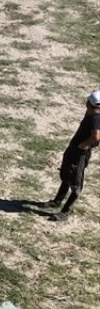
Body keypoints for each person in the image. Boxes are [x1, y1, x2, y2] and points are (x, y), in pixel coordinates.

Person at [46, 90, 100, 222]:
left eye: (89, 103)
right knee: (66, 175)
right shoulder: (92, 113)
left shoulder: (95, 118)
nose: (86, 103)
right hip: (73, 150)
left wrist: (85, 145)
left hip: (80, 154)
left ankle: (65, 212)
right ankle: (57, 201)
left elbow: (96, 136)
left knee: (76, 185)